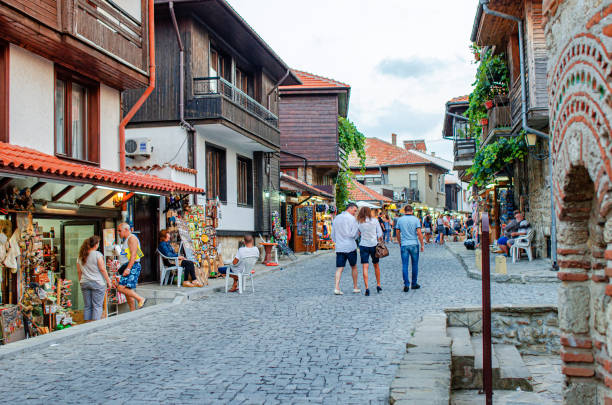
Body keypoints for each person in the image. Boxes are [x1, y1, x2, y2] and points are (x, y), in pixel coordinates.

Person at [77, 236, 112, 322]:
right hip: (97, 283)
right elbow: (102, 269)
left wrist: (81, 281)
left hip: (84, 283)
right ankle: (95, 326)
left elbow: (79, 272)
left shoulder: (80, 256)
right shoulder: (97, 254)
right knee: (97, 306)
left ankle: (87, 325)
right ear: (96, 244)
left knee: (87, 306)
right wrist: (108, 281)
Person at [331, 203, 360, 295]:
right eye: (355, 210)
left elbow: (333, 234)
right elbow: (353, 235)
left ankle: (336, 287)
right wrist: (357, 236)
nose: (355, 213)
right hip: (350, 246)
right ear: (350, 208)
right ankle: (355, 287)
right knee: (354, 267)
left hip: (340, 247)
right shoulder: (353, 219)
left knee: (339, 268)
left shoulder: (337, 218)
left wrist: (337, 241)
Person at [116, 223, 146, 311]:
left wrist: (128, 268)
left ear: (126, 230)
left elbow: (134, 254)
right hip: (128, 266)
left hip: (131, 266)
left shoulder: (132, 238)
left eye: (120, 231)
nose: (118, 233)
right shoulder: (127, 240)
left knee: (120, 288)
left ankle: (140, 299)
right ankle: (132, 312)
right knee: (127, 292)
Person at [395, 205, 424, 291]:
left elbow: (397, 232)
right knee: (414, 264)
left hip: (404, 244)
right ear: (412, 211)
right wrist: (422, 244)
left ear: (404, 211)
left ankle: (406, 284)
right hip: (414, 243)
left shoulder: (400, 220)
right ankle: (414, 283)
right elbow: (419, 233)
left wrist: (400, 242)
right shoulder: (416, 219)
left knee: (405, 265)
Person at [357, 206, 383, 296]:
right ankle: (378, 284)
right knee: (376, 265)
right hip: (373, 244)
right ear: (369, 212)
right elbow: (380, 233)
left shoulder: (359, 221)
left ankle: (367, 288)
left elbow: (357, 234)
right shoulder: (375, 220)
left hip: (363, 245)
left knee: (365, 267)